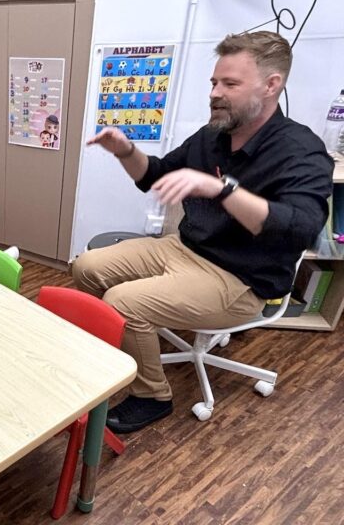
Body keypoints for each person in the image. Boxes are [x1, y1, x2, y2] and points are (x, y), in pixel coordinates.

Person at [72, 31, 334, 433]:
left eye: (230, 84)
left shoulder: (301, 150)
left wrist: (223, 189)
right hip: (185, 248)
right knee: (86, 267)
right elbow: (156, 176)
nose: (215, 92)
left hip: (241, 281)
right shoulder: (213, 136)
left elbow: (301, 228)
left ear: (271, 85)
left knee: (124, 302)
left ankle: (151, 395)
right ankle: (113, 358)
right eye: (214, 82)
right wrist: (127, 151)